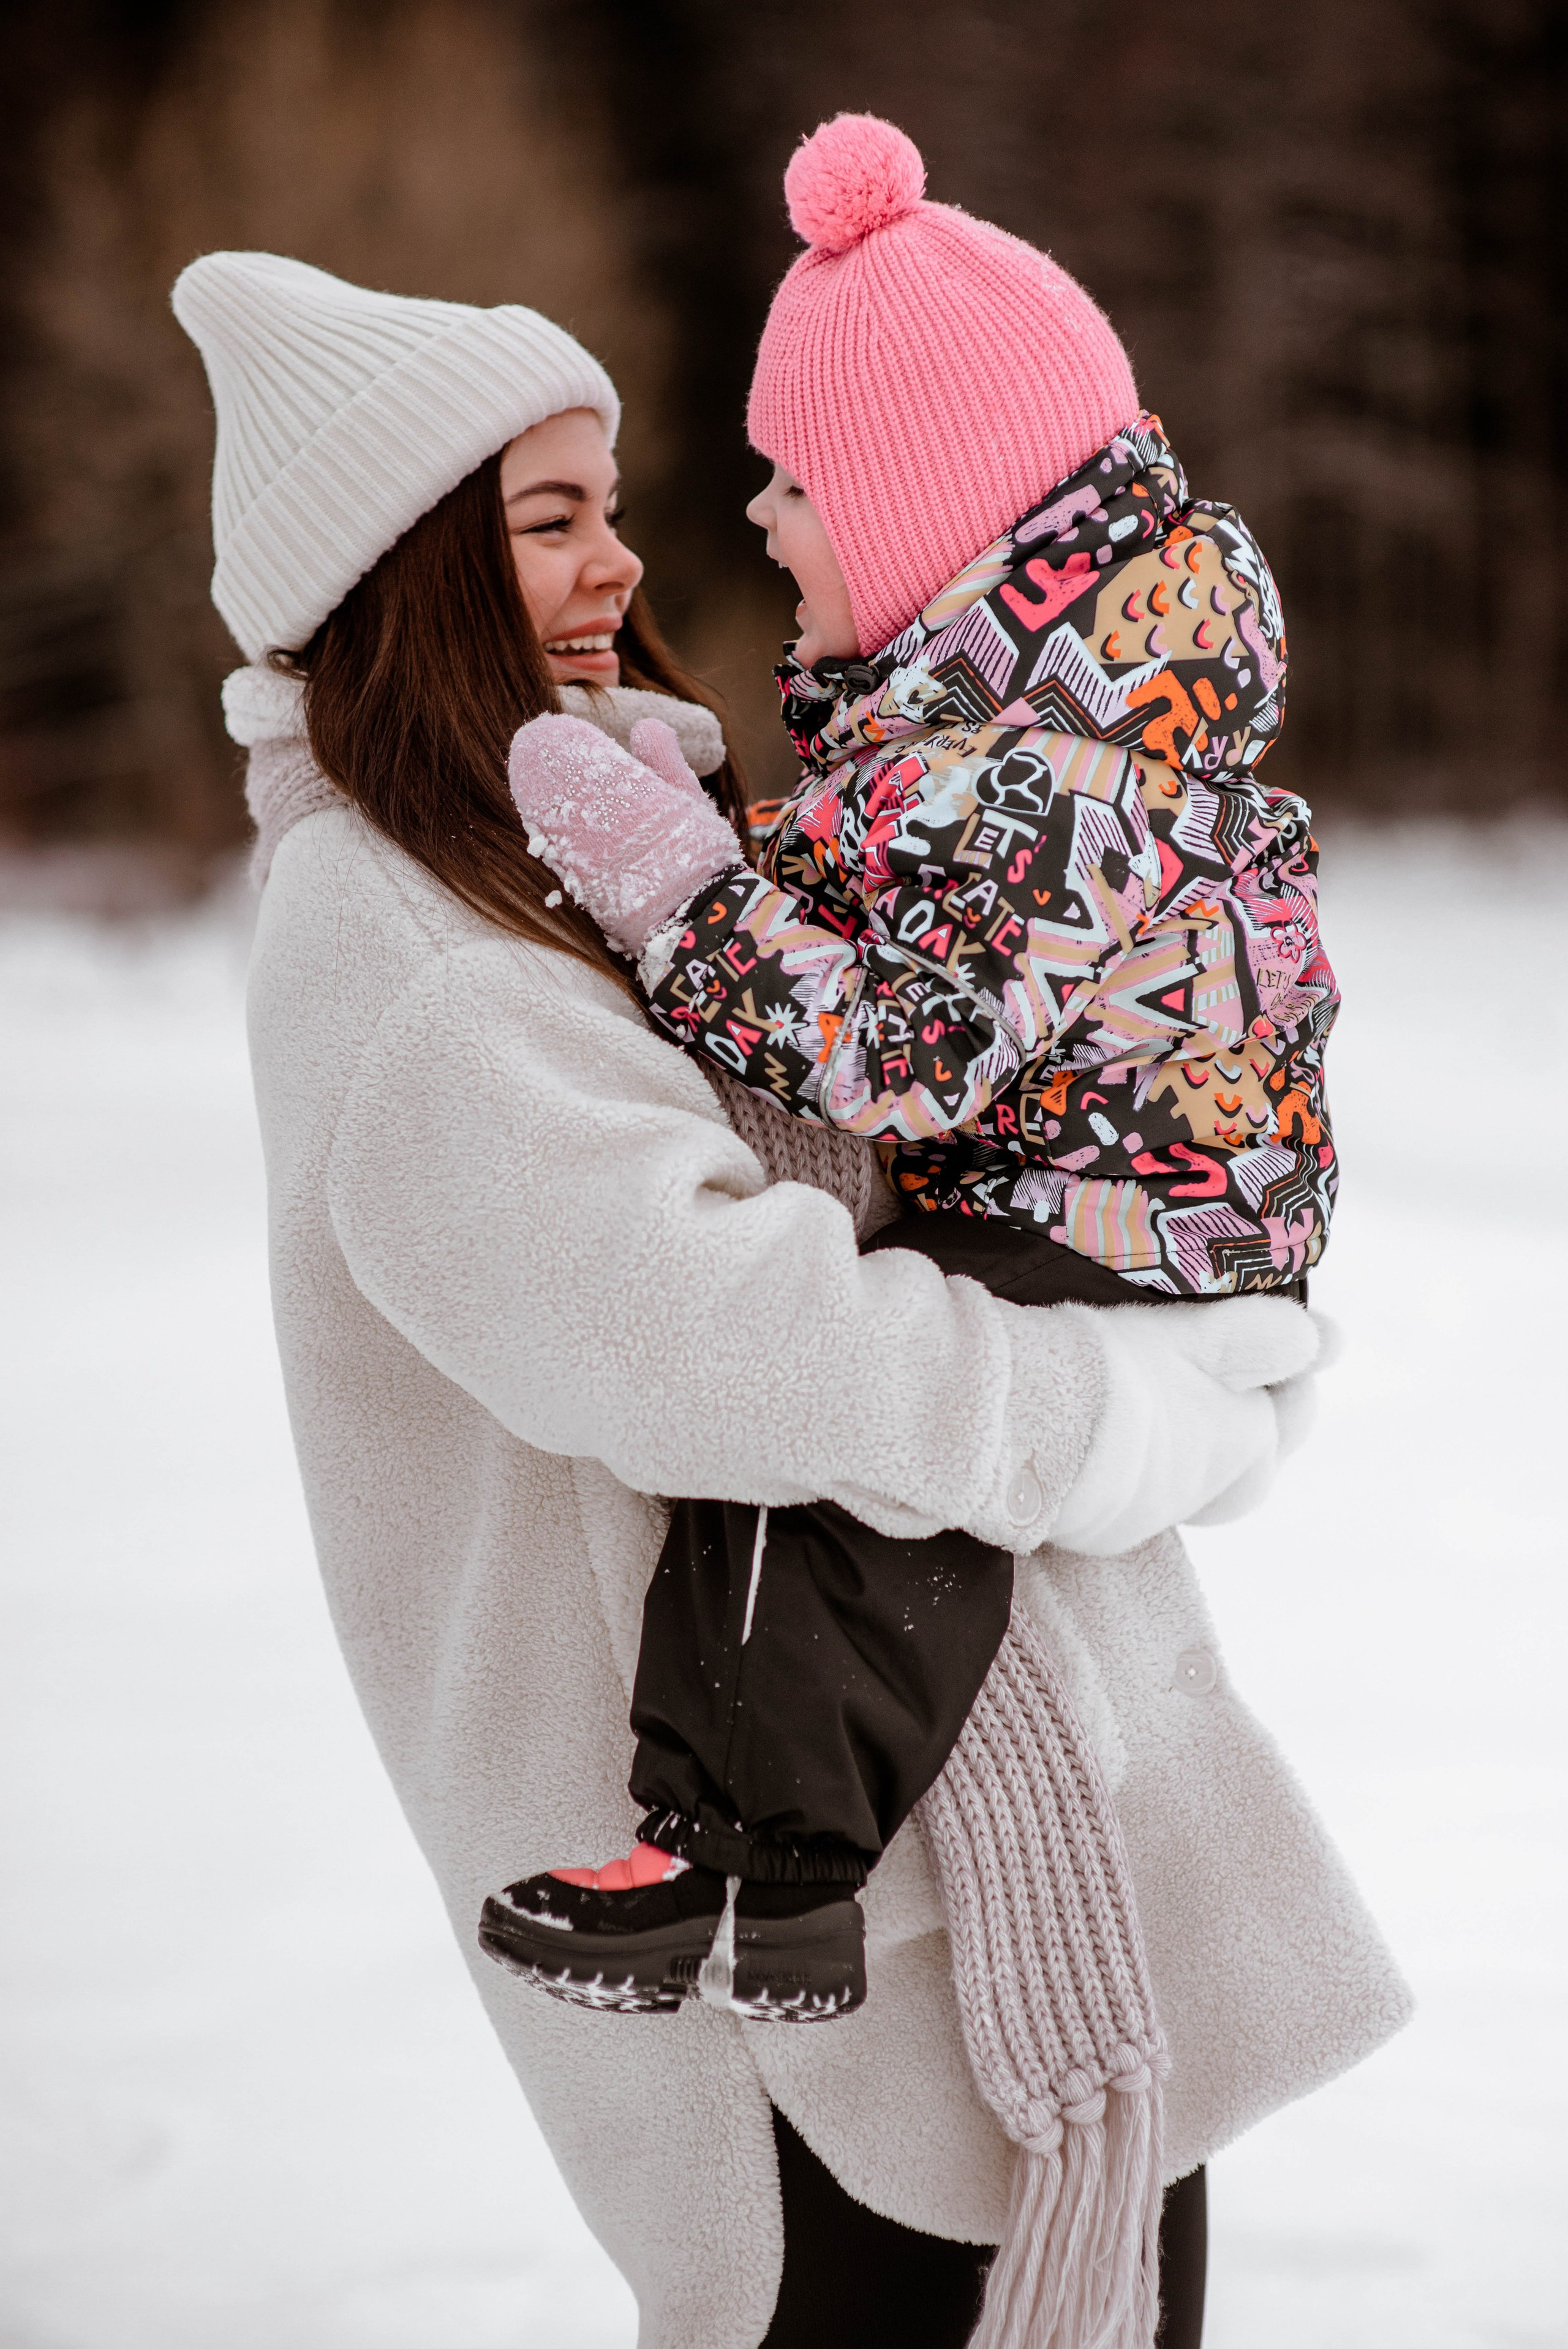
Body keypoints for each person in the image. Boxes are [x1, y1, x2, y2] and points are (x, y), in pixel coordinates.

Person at [175, 246, 1408, 2349]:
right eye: (546, 518)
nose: (623, 559)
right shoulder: (397, 941)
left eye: (609, 501)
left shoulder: (588, 836)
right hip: (817, 1982)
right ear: (402, 568)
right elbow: (724, 1337)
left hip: (1005, 1882)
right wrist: (1129, 1414)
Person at [489, 116, 1338, 2055]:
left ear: (927, 504)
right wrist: (723, 846)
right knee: (839, 1418)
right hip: (1090, 1183)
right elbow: (895, 926)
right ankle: (762, 1870)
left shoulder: (1060, 768)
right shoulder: (1004, 732)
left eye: (799, 480)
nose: (765, 518)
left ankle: (747, 1863)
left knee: (843, 1438)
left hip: (1134, 1211)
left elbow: (896, 1044)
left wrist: (681, 892)